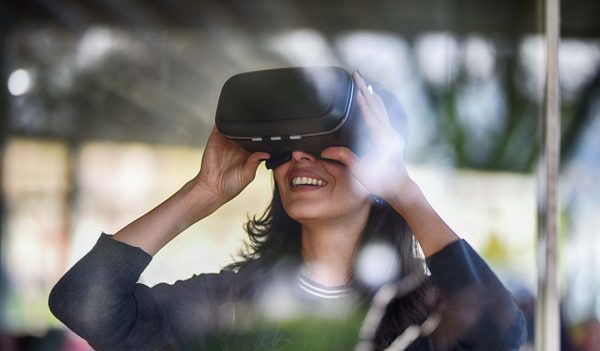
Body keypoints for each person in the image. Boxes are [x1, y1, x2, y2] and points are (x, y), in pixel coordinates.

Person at [49, 71, 526, 350]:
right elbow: (86, 305)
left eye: (328, 144)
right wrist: (205, 190)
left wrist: (402, 187)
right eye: (288, 145)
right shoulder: (231, 304)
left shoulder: (423, 313)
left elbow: (499, 334)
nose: (301, 157)